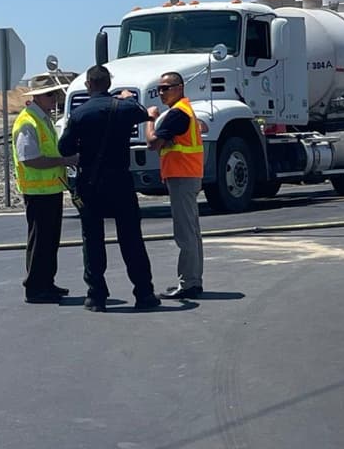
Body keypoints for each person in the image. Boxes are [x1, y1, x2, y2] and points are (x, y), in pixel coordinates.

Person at [57, 65, 160, 312]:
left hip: (91, 183)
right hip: (120, 182)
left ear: (88, 85)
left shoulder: (80, 114)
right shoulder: (124, 108)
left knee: (92, 240)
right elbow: (142, 112)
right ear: (108, 84)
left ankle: (96, 296)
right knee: (131, 238)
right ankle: (144, 293)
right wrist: (127, 97)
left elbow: (65, 149)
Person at [12, 74, 79, 303]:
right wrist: (65, 161)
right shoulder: (28, 122)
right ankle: (35, 287)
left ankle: (46, 283)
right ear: (38, 97)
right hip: (37, 192)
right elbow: (30, 159)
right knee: (40, 241)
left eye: (56, 94)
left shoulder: (42, 119)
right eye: (51, 94)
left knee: (49, 240)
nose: (55, 98)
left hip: (50, 189)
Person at [145, 72, 205, 300]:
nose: (161, 92)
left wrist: (150, 119)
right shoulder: (184, 111)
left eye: (166, 88)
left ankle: (189, 283)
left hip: (182, 176)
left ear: (179, 88)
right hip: (187, 174)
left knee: (185, 233)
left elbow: (152, 143)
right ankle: (193, 280)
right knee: (192, 231)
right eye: (159, 88)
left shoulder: (177, 113)